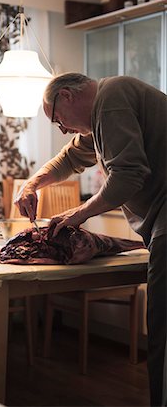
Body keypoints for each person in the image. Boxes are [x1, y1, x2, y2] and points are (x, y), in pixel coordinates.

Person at [14, 73, 166, 407]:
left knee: (163, 328)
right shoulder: (100, 118)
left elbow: (128, 174)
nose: (62, 129)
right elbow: (69, 158)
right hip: (158, 224)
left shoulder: (111, 96)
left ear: (67, 96)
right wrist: (31, 185)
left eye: (58, 120)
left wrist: (78, 213)